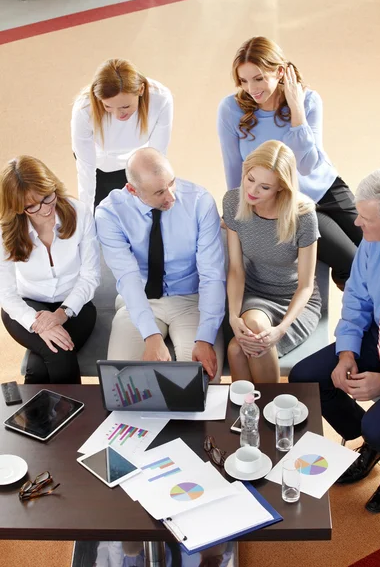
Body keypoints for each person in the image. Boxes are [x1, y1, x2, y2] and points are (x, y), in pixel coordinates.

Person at [289, 168, 380, 514]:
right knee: (306, 377)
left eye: (365, 218)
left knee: (379, 424)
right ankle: (376, 442)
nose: (355, 224)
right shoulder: (373, 242)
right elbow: (356, 300)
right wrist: (347, 351)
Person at [217, 36, 362, 290]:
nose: (251, 88)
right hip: (291, 202)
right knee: (353, 263)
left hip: (328, 187)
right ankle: (372, 320)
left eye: (259, 78)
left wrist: (296, 110)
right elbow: (233, 165)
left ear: (280, 71)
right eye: (244, 80)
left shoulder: (308, 100)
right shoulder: (231, 109)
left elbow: (309, 165)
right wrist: (235, 210)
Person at [95, 147, 225, 382]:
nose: (171, 196)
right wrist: (150, 336)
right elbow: (128, 277)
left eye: (172, 183)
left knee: (199, 384)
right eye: (159, 192)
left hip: (191, 300)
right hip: (139, 300)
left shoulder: (200, 201)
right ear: (132, 190)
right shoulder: (109, 214)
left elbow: (212, 275)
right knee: (123, 384)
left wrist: (205, 339)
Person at [223, 140, 321, 384]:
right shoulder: (233, 202)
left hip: (294, 300)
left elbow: (306, 286)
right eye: (250, 178)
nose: (252, 190)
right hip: (255, 293)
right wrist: (234, 317)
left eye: (265, 187)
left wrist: (281, 329)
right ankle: (259, 417)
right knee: (247, 335)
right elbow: (236, 269)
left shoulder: (303, 216)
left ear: (281, 188)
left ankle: (261, 413)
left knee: (238, 349)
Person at [0, 156, 100, 384]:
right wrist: (38, 325)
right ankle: (78, 419)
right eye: (32, 206)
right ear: (17, 207)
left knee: (41, 365)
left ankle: (30, 420)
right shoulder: (5, 231)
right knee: (60, 353)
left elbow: (90, 276)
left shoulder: (80, 213)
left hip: (76, 305)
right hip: (27, 306)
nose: (45, 209)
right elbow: (6, 294)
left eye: (47, 197)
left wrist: (60, 314)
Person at [71, 58, 173, 212]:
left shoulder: (160, 98)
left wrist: (160, 194)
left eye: (125, 106)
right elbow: (86, 168)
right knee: (101, 214)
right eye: (108, 106)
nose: (118, 115)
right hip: (99, 167)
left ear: (140, 90)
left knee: (148, 210)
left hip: (138, 163)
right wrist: (86, 215)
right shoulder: (84, 109)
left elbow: (157, 156)